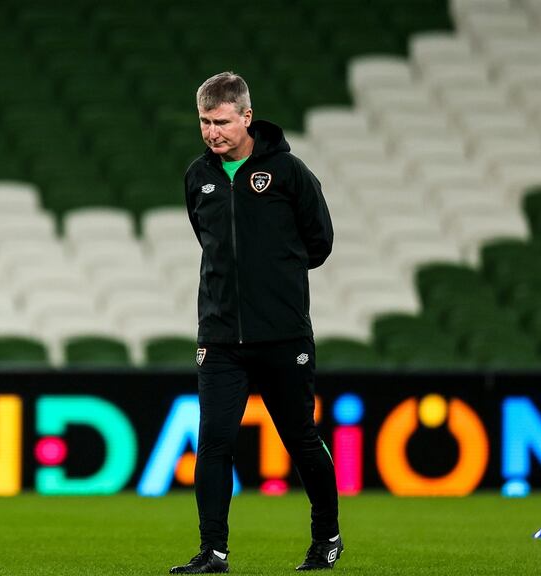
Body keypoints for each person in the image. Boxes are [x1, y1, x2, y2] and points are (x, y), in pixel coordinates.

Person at [169, 72, 341, 574]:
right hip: (220, 338)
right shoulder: (197, 176)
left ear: (247, 117)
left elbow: (320, 242)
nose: (212, 132)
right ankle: (213, 551)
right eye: (204, 121)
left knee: (300, 439)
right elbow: (209, 241)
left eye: (221, 121)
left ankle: (326, 537)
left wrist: (275, 281)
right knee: (215, 443)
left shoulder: (288, 172)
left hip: (283, 336)